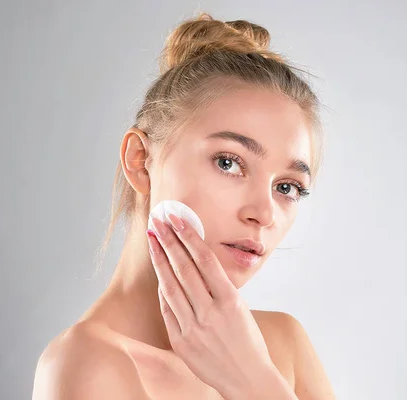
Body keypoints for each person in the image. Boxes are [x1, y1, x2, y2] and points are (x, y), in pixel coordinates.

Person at [32, 12, 335, 400]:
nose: (264, 213)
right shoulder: (86, 363)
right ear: (141, 161)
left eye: (288, 187)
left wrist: (254, 381)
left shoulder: (283, 346)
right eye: (229, 162)